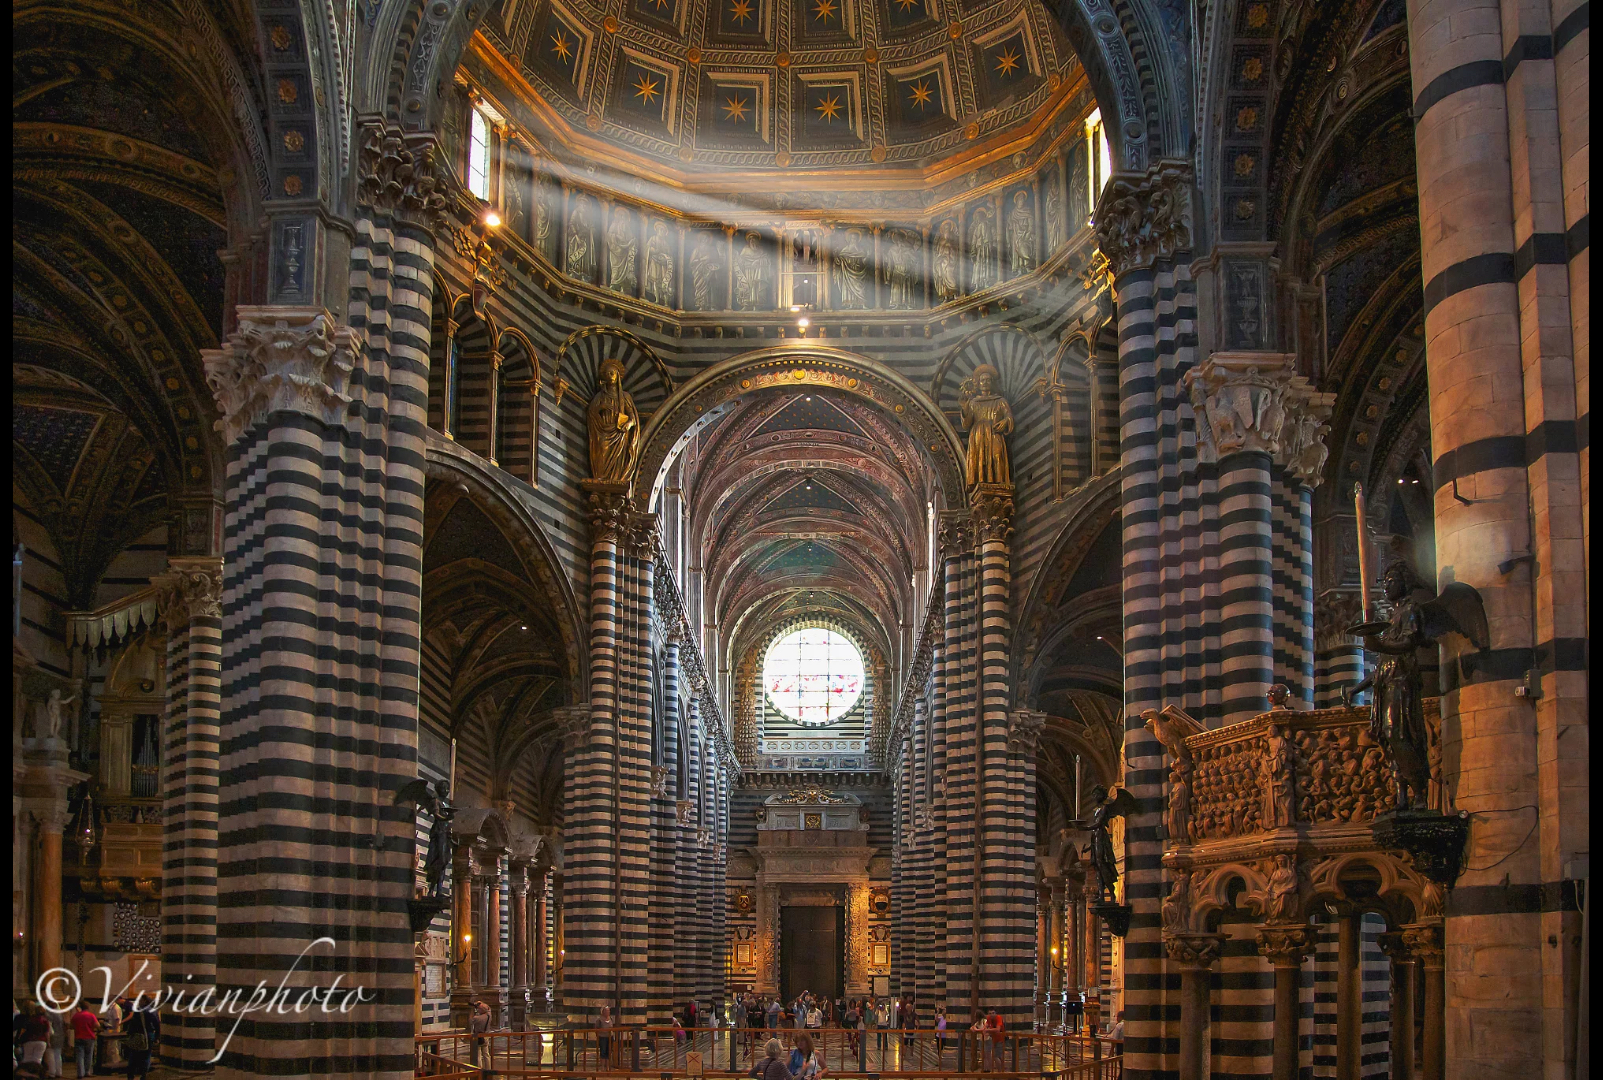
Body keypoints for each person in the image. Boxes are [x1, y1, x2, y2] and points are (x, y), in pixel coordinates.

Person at [123, 1001, 155, 1080]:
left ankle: (130, 1075)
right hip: (149, 1035)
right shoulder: (152, 1012)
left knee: (133, 1056)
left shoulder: (138, 1012)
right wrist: (157, 1036)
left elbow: (132, 1024)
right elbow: (157, 1024)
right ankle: (144, 1075)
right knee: (147, 1056)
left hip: (137, 1035)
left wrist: (130, 1033)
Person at [69, 1002, 100, 1078]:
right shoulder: (91, 1015)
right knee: (89, 1055)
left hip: (78, 1037)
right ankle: (87, 1072)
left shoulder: (76, 1016)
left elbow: (71, 1026)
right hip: (89, 1037)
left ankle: (80, 1073)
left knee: (80, 1056)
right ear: (88, 1007)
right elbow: (97, 1025)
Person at [469, 999, 491, 1067]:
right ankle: (488, 1069)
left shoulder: (477, 1018)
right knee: (486, 1054)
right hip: (486, 1035)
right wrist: (481, 1003)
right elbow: (488, 1008)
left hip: (478, 1037)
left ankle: (479, 1069)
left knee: (478, 1055)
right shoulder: (489, 1015)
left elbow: (470, 1021)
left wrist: (472, 1010)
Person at [596, 1004, 614, 1068]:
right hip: (602, 1037)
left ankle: (608, 1066)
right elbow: (596, 1029)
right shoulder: (599, 1020)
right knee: (603, 1052)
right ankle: (602, 1066)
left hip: (610, 1037)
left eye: (608, 1011)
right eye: (606, 1011)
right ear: (603, 1012)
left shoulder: (611, 1018)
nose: (607, 1012)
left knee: (609, 1051)